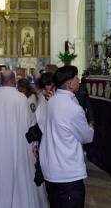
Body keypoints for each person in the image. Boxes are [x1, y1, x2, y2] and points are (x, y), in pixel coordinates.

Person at [0, 70, 42, 208]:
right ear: (14, 80)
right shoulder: (20, 98)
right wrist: (33, 145)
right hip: (16, 149)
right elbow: (28, 125)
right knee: (17, 180)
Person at [39, 66, 94, 208]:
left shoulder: (52, 101)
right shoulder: (72, 108)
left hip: (52, 170)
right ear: (69, 84)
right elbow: (87, 137)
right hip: (67, 173)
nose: (79, 81)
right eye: (77, 78)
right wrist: (91, 127)